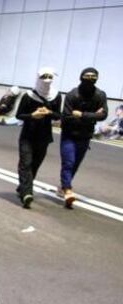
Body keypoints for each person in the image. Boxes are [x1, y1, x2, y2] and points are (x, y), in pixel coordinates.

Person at [60, 67, 108, 208]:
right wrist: (93, 115)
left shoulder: (100, 95)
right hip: (69, 134)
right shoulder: (72, 95)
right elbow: (67, 117)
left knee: (75, 164)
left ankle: (63, 185)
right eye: (87, 76)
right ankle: (67, 190)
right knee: (68, 162)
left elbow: (104, 115)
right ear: (81, 77)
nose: (90, 78)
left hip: (85, 136)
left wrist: (81, 115)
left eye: (93, 76)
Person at [15, 68, 62, 209]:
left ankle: (22, 187)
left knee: (35, 164)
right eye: (44, 77)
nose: (46, 80)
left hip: (44, 136)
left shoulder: (56, 96)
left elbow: (58, 115)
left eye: (49, 77)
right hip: (27, 135)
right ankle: (27, 194)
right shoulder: (28, 96)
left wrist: (49, 112)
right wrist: (32, 116)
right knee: (26, 163)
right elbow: (19, 115)